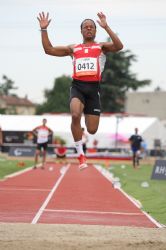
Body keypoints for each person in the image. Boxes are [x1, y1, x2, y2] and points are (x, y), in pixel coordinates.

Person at [37, 11, 123, 170]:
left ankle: (86, 117)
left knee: (91, 129)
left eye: (92, 27)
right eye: (86, 27)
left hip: (93, 90)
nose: (89, 29)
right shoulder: (73, 48)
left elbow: (119, 46)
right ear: (81, 31)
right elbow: (49, 49)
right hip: (77, 86)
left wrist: (106, 26)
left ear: (95, 31)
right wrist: (43, 30)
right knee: (75, 114)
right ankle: (80, 155)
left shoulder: (101, 47)